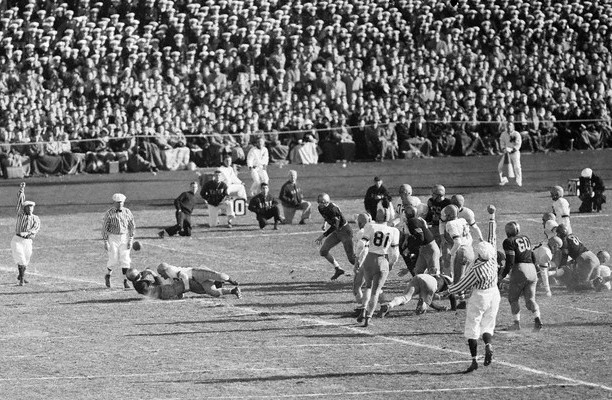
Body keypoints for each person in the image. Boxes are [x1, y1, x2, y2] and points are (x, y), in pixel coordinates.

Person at [443, 241, 501, 373]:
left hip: (480, 297)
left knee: (472, 326)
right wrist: (492, 221)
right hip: (494, 294)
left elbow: (462, 285)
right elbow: (493, 238)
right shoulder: (493, 260)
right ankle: (488, 344)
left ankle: (474, 360)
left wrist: (446, 292)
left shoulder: (477, 270)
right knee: (488, 325)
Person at [355, 208, 400, 327]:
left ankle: (363, 309)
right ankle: (368, 317)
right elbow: (395, 253)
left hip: (369, 259)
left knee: (368, 287)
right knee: (376, 291)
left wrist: (357, 259)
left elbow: (361, 244)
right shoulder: (394, 230)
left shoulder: (370, 226)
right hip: (382, 259)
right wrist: (391, 264)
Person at [500, 222, 543, 331]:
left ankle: (516, 323)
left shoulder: (508, 241)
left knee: (513, 299)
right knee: (530, 299)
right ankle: (537, 318)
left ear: (507, 231)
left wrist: (502, 275)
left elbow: (510, 261)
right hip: (532, 270)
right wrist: (536, 270)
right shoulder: (526, 238)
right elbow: (532, 255)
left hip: (520, 269)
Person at [126, 263, 241, 300]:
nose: (161, 275)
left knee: (214, 276)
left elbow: (184, 277)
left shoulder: (171, 271)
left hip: (194, 275)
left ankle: (226, 281)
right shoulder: (141, 284)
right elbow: (170, 285)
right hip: (187, 282)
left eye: (161, 273)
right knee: (211, 292)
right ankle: (232, 290)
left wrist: (184, 289)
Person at [315, 193, 356, 280]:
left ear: (327, 202)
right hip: (337, 232)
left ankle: (368, 270)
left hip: (345, 231)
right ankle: (338, 269)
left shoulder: (333, 209)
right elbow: (326, 216)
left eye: (323, 202)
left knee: (352, 259)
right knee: (323, 251)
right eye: (319, 202)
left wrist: (323, 235)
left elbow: (335, 226)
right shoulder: (320, 208)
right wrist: (325, 223)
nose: (321, 204)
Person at [547, 224, 601, 291]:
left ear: (559, 233)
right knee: (596, 280)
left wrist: (561, 271)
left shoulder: (564, 241)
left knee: (581, 284)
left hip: (586, 260)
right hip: (593, 257)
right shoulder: (572, 235)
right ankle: (604, 283)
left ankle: (594, 283)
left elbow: (564, 257)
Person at [398, 199, 441, 277]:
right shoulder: (416, 220)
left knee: (434, 273)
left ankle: (440, 289)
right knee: (418, 272)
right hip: (424, 249)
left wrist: (410, 248)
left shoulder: (412, 221)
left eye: (404, 212)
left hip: (430, 249)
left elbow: (420, 237)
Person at [380, 274, 455, 317]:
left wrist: (439, 308)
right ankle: (422, 305)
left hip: (420, 276)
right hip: (431, 282)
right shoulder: (447, 283)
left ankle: (390, 304)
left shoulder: (438, 276)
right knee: (424, 306)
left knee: (405, 297)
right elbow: (452, 296)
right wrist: (453, 308)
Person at [102, 193, 136, 289]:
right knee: (113, 258)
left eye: (121, 202)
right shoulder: (109, 213)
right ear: (114, 203)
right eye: (118, 203)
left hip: (124, 237)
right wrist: (105, 241)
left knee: (125, 259)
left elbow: (132, 226)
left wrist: (130, 239)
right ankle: (108, 275)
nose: (120, 204)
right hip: (113, 237)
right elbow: (105, 228)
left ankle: (125, 281)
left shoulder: (127, 212)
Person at [11, 182, 41, 286]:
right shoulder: (20, 215)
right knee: (21, 258)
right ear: (24, 208)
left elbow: (36, 228)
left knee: (26, 259)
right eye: (27, 207)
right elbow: (20, 201)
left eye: (31, 207)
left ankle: (20, 275)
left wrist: (28, 233)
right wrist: (22, 189)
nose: (29, 208)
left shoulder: (35, 218)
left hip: (28, 241)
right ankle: (22, 280)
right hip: (17, 240)